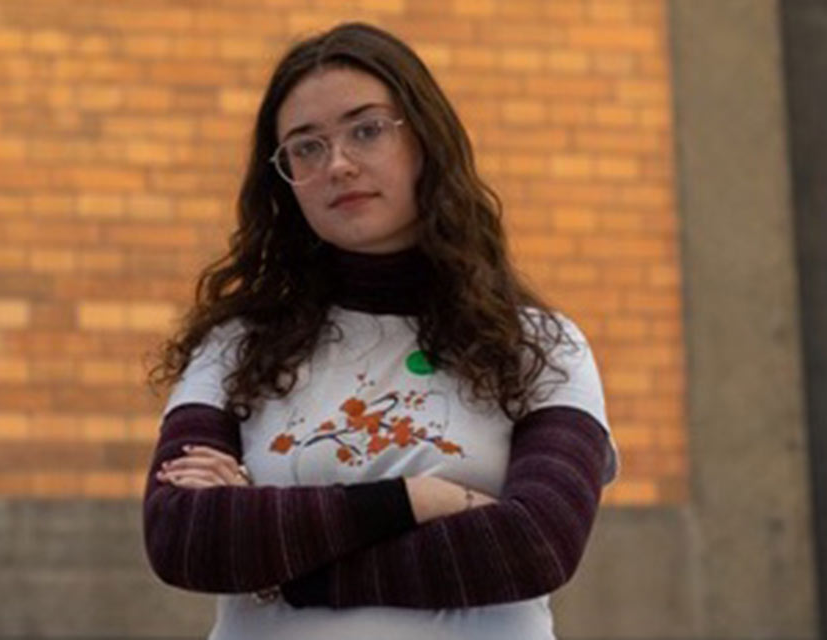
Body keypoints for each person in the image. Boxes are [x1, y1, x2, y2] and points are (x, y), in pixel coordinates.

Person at [143, 21, 618, 640]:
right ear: (284, 182)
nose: (338, 164)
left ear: (425, 140)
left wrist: (286, 570)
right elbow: (182, 536)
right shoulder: (235, 348)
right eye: (306, 147)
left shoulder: (539, 347)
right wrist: (419, 500)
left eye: (366, 130)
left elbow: (532, 546)